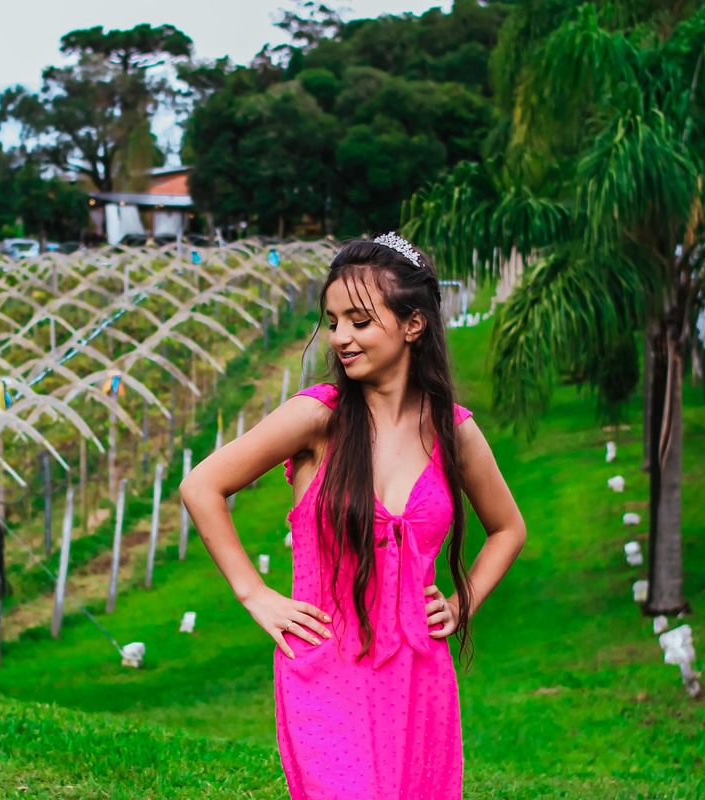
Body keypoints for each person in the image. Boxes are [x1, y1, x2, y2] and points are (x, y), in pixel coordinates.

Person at [179, 234, 526, 799]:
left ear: (413, 325)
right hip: (325, 670)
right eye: (334, 321)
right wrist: (254, 594)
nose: (340, 336)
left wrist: (461, 604)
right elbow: (201, 486)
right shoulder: (318, 417)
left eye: (360, 321)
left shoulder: (453, 431)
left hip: (419, 675)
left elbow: (508, 529)